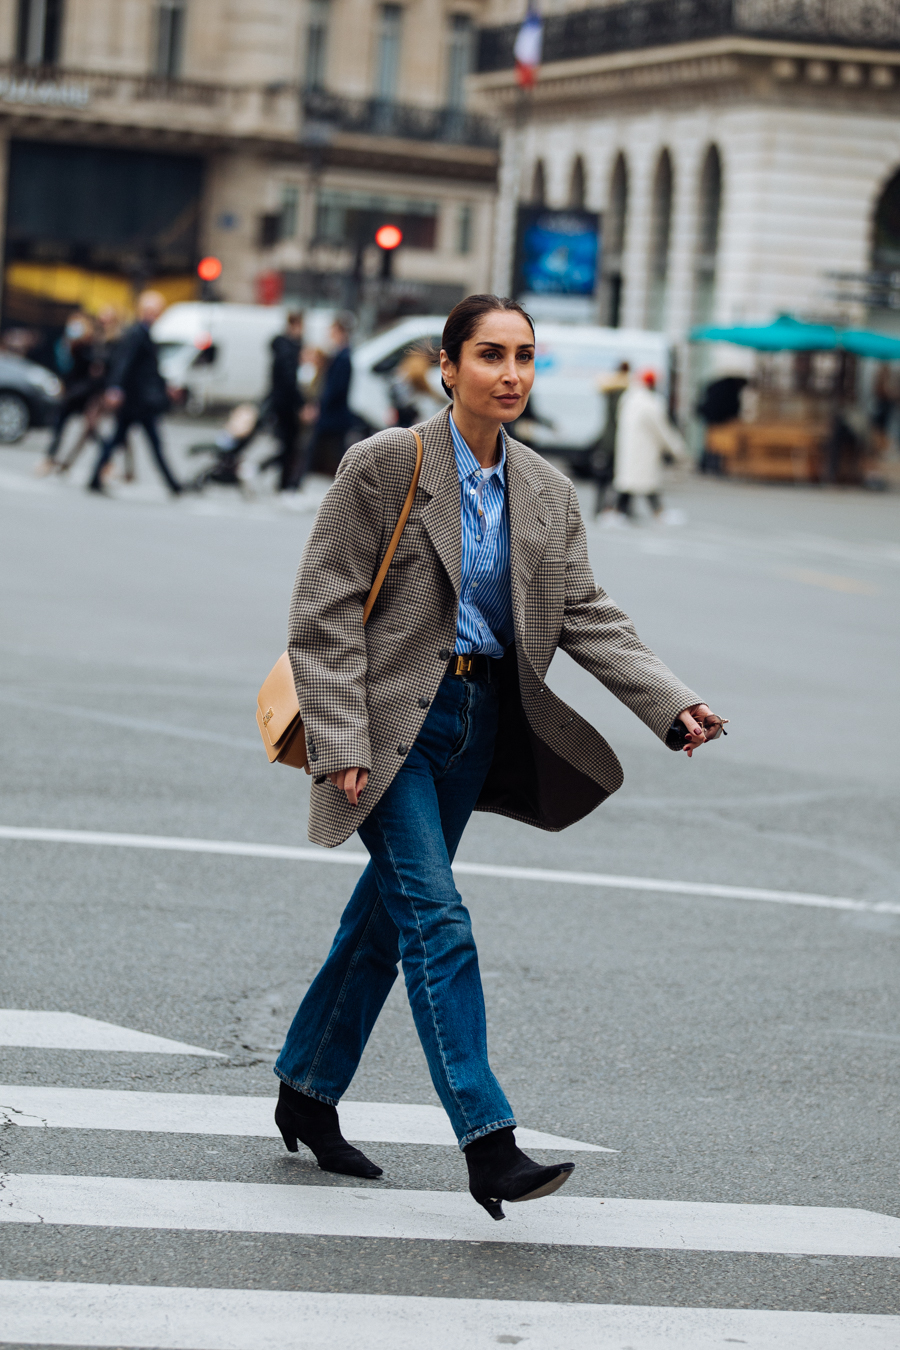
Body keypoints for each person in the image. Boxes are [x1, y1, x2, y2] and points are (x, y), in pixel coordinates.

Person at [273, 294, 726, 1221]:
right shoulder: (386, 465)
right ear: (447, 366)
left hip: (478, 726)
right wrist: (343, 741)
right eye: (489, 355)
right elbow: (322, 612)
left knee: (388, 924)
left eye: (524, 356)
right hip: (391, 724)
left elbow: (587, 613)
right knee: (440, 922)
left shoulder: (547, 491)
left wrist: (669, 701)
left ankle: (306, 1091)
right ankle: (489, 1142)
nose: (510, 373)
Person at [88, 290, 181, 496]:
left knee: (124, 441)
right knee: (147, 443)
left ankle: (95, 478)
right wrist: (115, 388)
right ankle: (174, 485)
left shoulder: (143, 333)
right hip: (136, 400)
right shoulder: (136, 333)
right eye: (153, 311)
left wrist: (165, 386)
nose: (156, 315)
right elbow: (124, 363)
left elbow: (150, 368)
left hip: (138, 400)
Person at [607, 369, 688, 522]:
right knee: (643, 482)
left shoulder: (629, 399)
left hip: (630, 450)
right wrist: (677, 448)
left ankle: (621, 512)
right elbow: (662, 430)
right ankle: (654, 512)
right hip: (644, 450)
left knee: (631, 483)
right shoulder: (650, 403)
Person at [37, 312, 105, 474]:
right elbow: (66, 368)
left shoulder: (91, 347)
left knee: (92, 430)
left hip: (85, 395)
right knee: (60, 424)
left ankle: (104, 461)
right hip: (72, 393)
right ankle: (51, 459)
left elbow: (92, 373)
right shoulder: (68, 345)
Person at [305, 314, 356, 477]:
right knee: (329, 450)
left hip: (333, 414)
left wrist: (320, 406)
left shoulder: (343, 357)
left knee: (317, 450)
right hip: (334, 413)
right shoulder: (340, 355)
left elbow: (335, 388)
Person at [267, 310, 305, 492]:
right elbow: (290, 380)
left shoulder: (284, 347)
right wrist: (301, 403)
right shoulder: (288, 349)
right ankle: (282, 482)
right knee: (288, 445)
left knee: (287, 445)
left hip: (281, 402)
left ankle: (284, 482)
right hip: (286, 405)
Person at [590, 360, 630, 515]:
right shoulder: (623, 392)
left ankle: (600, 507)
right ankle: (613, 508)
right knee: (616, 476)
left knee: (602, 476)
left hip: (606, 439)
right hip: (618, 440)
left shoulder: (609, 389)